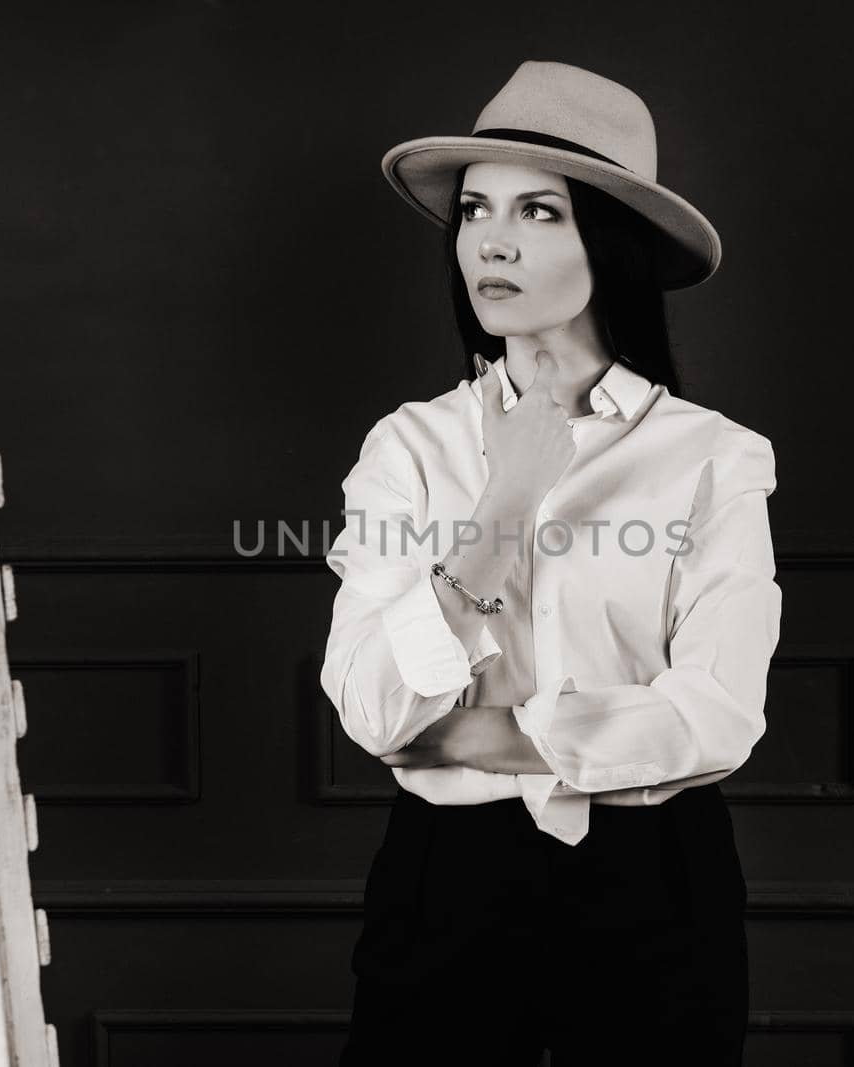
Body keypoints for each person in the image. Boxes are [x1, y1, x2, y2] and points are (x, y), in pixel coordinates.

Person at [320, 59, 780, 1066]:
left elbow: (716, 710)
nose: (491, 239)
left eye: (538, 212)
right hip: (445, 884)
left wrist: (482, 731)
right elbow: (369, 706)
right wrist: (505, 501)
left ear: (608, 242)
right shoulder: (407, 449)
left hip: (656, 886)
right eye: (477, 210)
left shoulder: (714, 457)